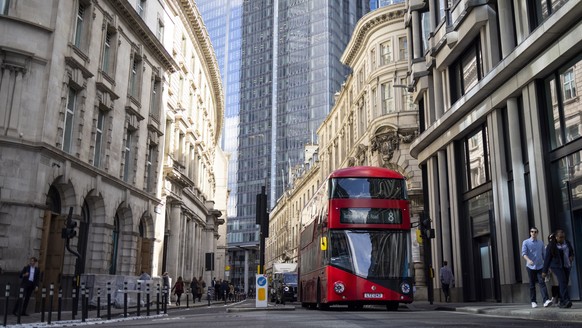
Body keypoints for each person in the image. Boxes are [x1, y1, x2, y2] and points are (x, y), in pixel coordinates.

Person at [542, 229, 574, 309]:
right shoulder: (551, 246)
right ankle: (566, 300)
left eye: (563, 237)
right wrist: (544, 271)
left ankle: (562, 301)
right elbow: (547, 259)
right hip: (557, 266)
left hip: (567, 265)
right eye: (560, 237)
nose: (562, 239)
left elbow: (571, 251)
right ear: (556, 237)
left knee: (564, 283)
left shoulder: (567, 243)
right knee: (562, 281)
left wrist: (571, 256)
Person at [521, 227, 552, 308]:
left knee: (542, 283)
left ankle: (546, 300)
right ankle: (533, 301)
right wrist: (528, 260)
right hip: (530, 267)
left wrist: (547, 266)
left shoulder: (540, 242)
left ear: (537, 233)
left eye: (535, 232)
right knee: (532, 284)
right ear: (530, 233)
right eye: (532, 232)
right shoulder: (526, 242)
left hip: (540, 266)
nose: (533, 233)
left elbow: (544, 255)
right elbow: (524, 254)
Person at [545, 233, 560, 305]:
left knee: (559, 283)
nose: (551, 240)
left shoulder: (559, 246)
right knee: (554, 284)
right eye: (549, 238)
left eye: (552, 238)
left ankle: (558, 298)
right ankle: (554, 297)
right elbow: (546, 259)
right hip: (552, 268)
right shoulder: (547, 247)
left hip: (560, 267)